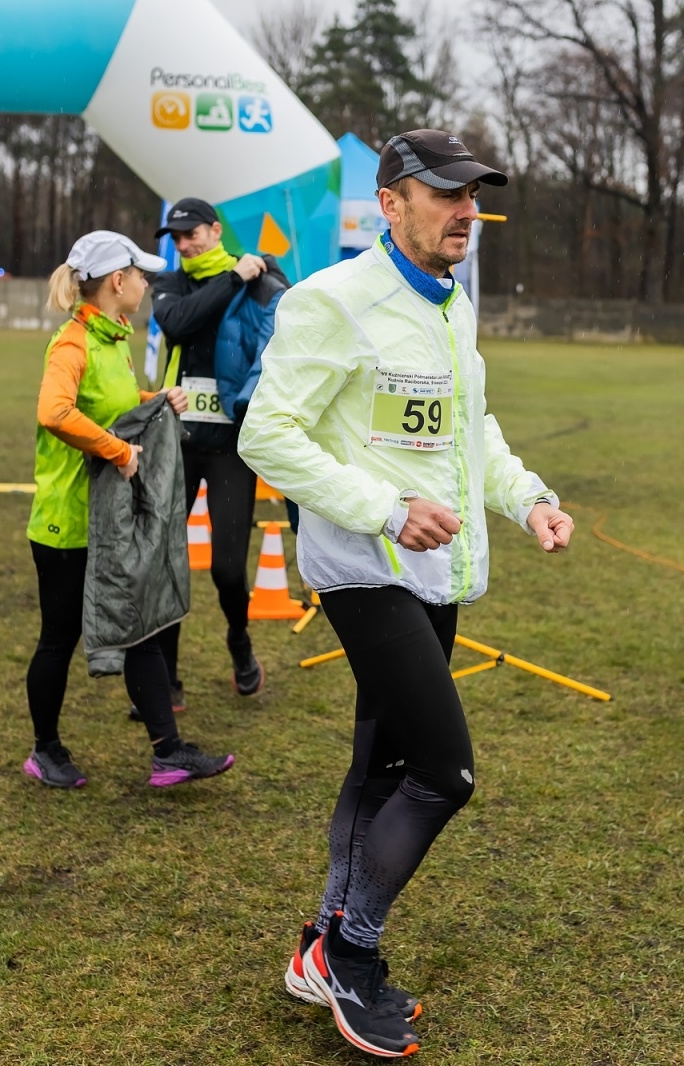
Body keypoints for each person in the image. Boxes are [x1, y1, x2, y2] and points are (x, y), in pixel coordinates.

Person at [240, 129, 574, 1058]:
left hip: (436, 572)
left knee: (384, 769)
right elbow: (266, 438)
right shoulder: (332, 303)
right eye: (445, 195)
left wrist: (529, 498)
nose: (467, 211)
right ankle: (352, 952)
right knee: (446, 771)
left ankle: (322, 943)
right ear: (390, 204)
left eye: (474, 196)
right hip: (364, 568)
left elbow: (471, 430)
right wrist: (385, 508)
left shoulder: (450, 302)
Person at [23, 230, 234, 790]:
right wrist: (119, 451)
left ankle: (168, 752)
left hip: (110, 523)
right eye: (141, 275)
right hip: (67, 526)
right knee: (58, 639)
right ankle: (45, 750)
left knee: (139, 628)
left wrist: (154, 400)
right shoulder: (73, 343)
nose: (146, 283)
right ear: (118, 282)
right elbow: (54, 411)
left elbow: (109, 406)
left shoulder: (112, 340)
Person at [150, 198, 288, 703]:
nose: (183, 245)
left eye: (191, 235)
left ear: (214, 230)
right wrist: (232, 277)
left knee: (229, 568)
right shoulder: (171, 283)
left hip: (231, 447)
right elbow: (179, 324)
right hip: (177, 443)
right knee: (168, 563)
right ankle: (167, 678)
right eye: (177, 238)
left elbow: (284, 318)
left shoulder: (255, 277)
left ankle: (239, 640)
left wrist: (260, 271)